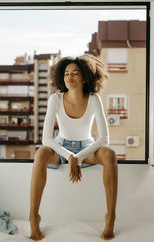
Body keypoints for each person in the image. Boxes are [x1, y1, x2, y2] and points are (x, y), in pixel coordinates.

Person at [29, 54, 118, 240]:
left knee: (109, 154)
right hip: (61, 147)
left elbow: (104, 139)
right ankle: (33, 216)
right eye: (66, 73)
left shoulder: (94, 99)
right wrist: (70, 156)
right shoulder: (56, 99)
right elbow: (46, 138)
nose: (69, 77)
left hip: (86, 148)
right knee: (41, 153)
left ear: (85, 77)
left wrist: (78, 157)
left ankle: (110, 217)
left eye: (75, 73)